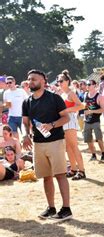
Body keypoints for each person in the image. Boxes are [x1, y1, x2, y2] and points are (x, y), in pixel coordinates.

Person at [22, 69, 72, 221]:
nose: (31, 82)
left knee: (60, 174)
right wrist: (26, 135)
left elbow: (66, 118)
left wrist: (52, 124)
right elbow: (26, 121)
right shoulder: (27, 101)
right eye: (29, 79)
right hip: (38, 143)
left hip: (55, 141)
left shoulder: (54, 98)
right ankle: (51, 208)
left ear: (43, 81)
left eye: (34, 79)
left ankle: (66, 209)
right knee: (46, 177)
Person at [57, 70, 86, 180]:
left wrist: (67, 110)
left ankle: (82, 170)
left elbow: (81, 106)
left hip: (70, 121)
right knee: (68, 147)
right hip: (64, 121)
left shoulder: (71, 93)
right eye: (58, 81)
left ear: (67, 81)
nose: (59, 83)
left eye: (61, 81)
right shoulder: (62, 93)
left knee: (74, 146)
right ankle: (73, 169)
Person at [83, 80, 104, 162]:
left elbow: (103, 109)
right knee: (88, 139)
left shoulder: (99, 96)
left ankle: (103, 153)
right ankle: (93, 155)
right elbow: (85, 106)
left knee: (99, 138)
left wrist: (91, 111)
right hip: (87, 120)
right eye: (87, 84)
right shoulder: (85, 95)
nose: (87, 86)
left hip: (96, 120)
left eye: (89, 84)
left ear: (94, 85)